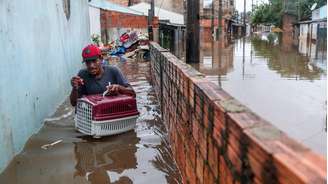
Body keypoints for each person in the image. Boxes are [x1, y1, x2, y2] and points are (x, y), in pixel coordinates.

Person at [70, 44, 135, 106]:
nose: (91, 66)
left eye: (94, 61)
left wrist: (119, 88)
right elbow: (74, 103)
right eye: (88, 62)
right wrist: (74, 88)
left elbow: (133, 93)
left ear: (101, 59)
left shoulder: (113, 71)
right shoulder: (82, 75)